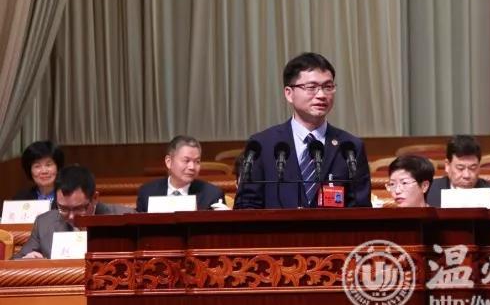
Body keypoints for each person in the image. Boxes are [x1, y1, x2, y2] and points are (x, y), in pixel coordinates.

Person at [234, 52, 372, 209]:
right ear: (289, 93)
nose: (321, 95)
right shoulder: (262, 145)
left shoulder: (350, 147)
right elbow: (246, 205)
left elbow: (360, 209)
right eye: (311, 87)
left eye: (328, 87)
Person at [13, 165, 134, 259]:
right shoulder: (44, 223)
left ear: (94, 198)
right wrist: (27, 260)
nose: (71, 216)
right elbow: (15, 262)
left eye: (78, 208)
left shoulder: (125, 220)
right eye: (63, 208)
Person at [136, 135, 225, 212]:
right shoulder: (147, 192)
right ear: (169, 162)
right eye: (186, 160)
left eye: (197, 161)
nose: (192, 167)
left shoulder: (212, 195)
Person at [426, 135, 490, 208]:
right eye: (460, 168)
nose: (466, 175)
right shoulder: (428, 192)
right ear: (447, 166)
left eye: (472, 168)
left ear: (479, 166)